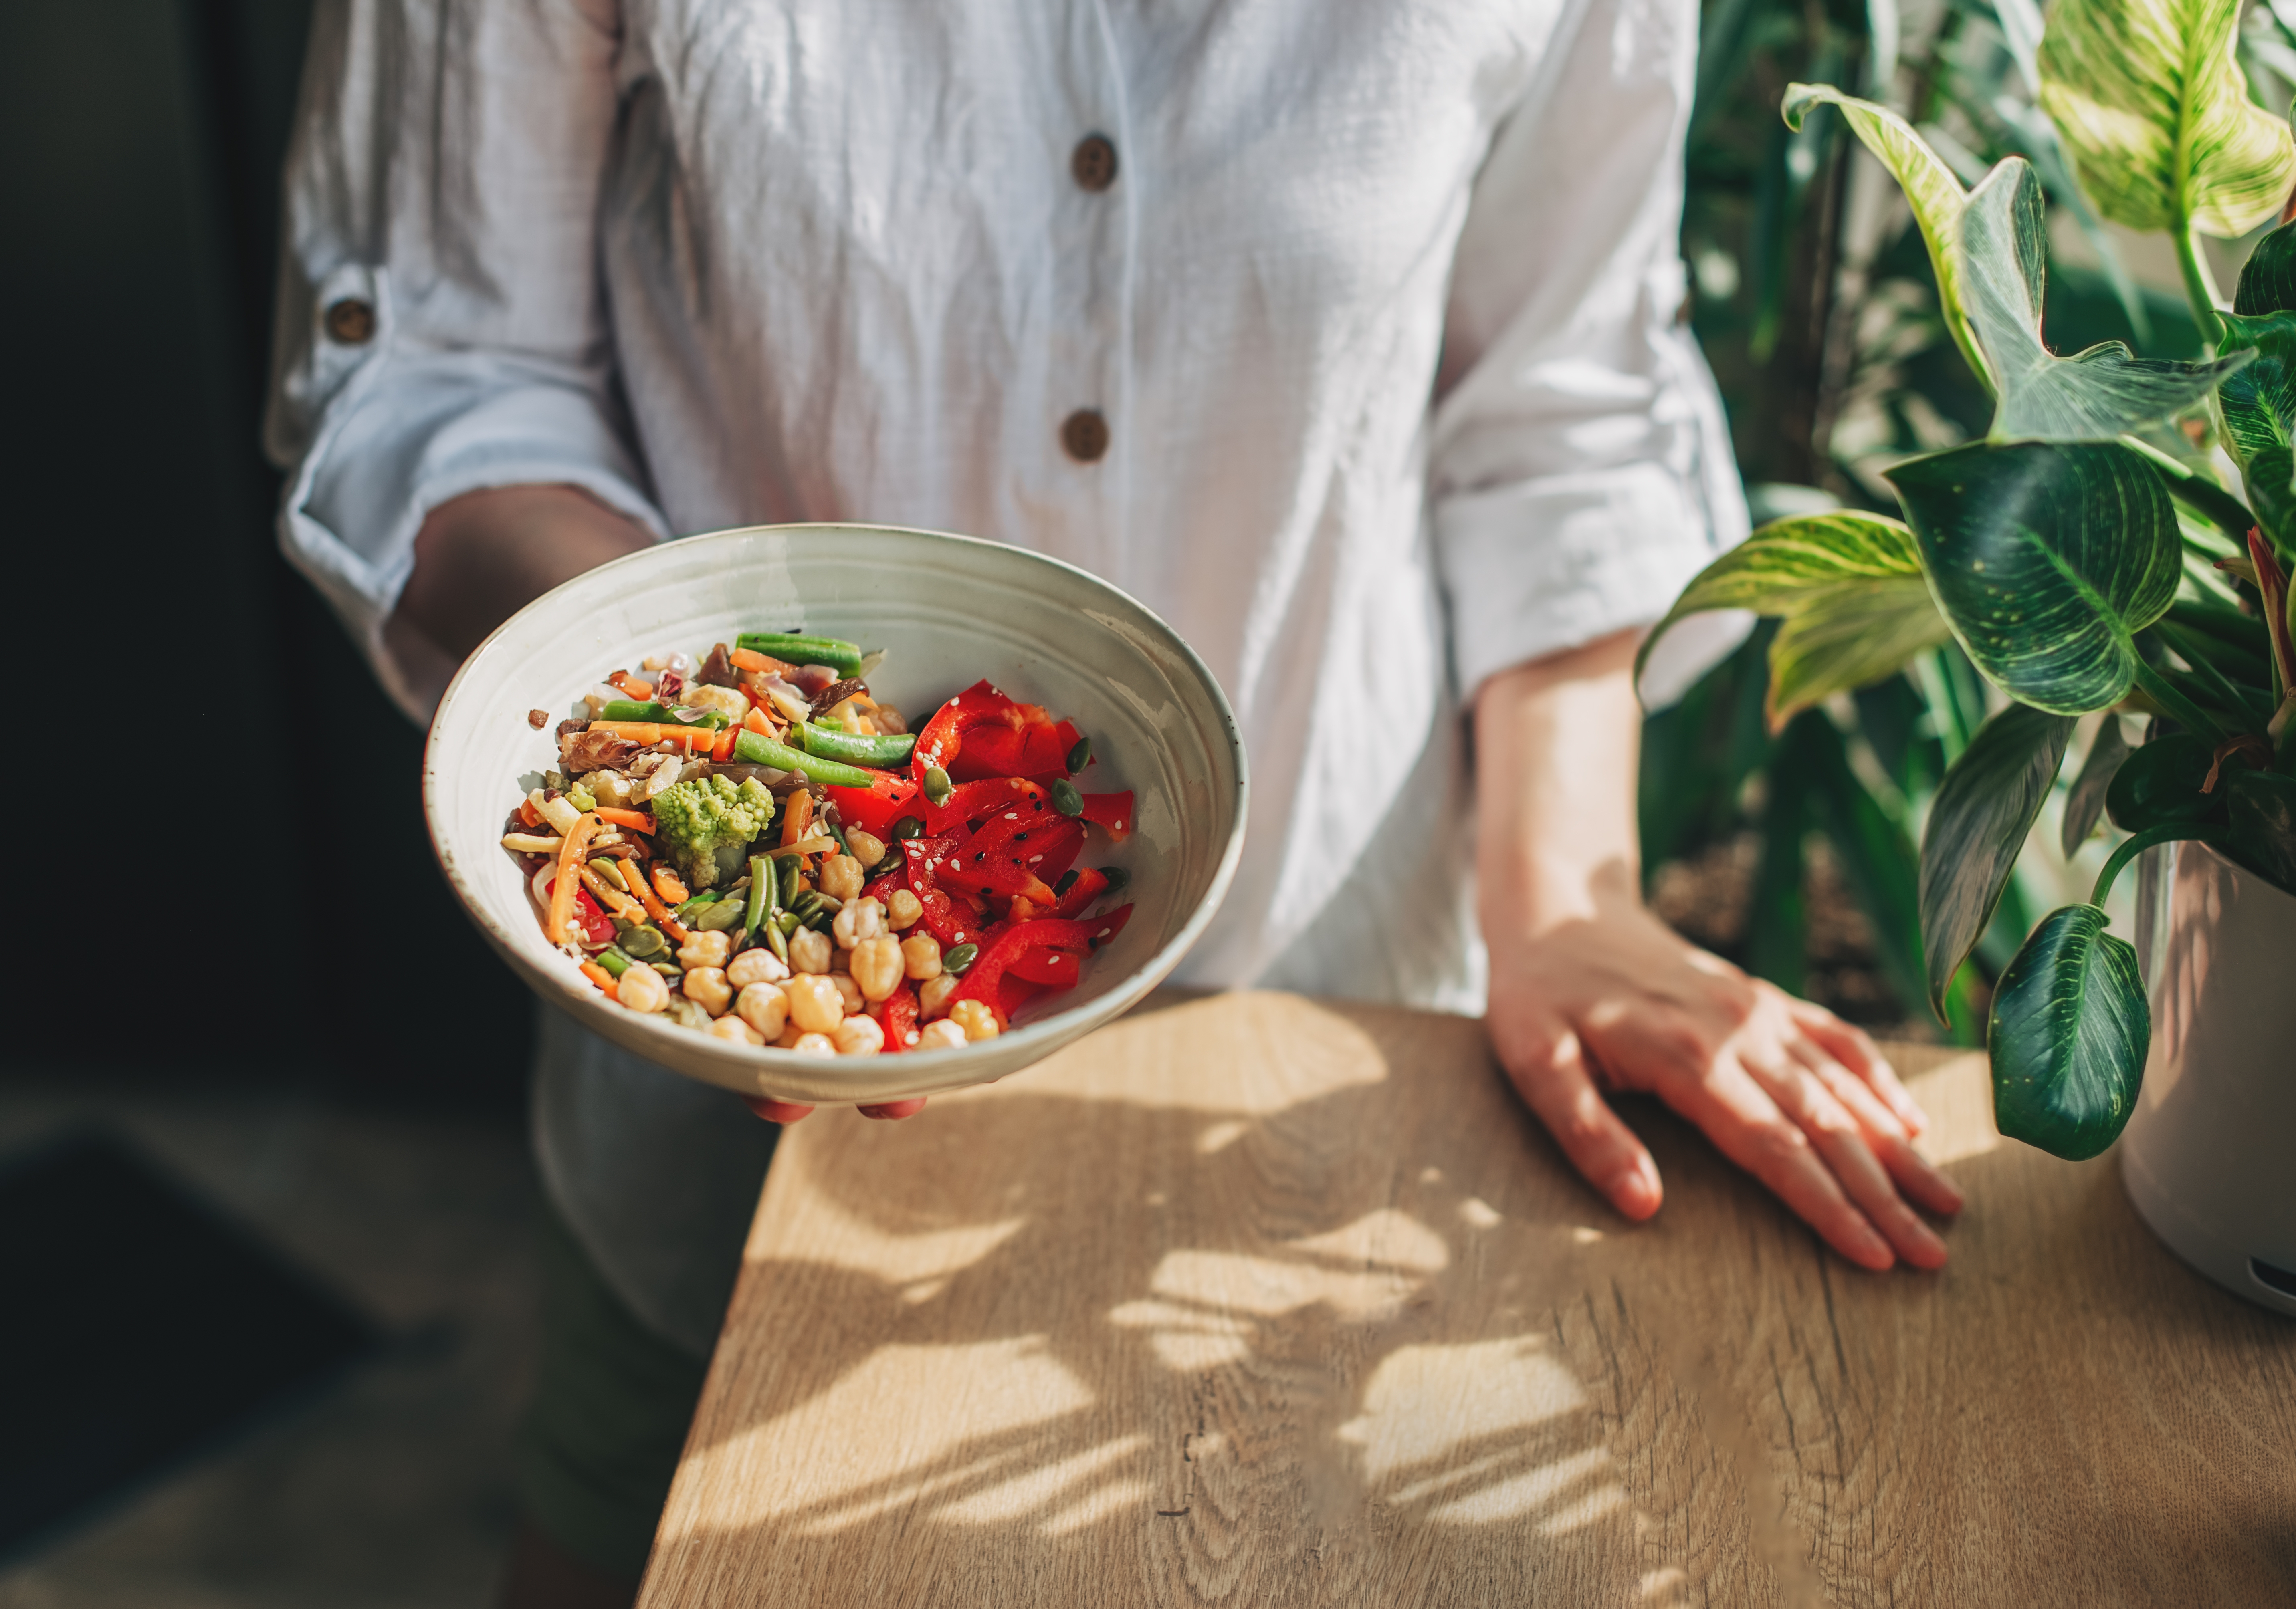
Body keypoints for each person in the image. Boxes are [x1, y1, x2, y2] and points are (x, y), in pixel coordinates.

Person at [268, 0, 1964, 1598]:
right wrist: (728, 753)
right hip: (729, 1113)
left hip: (1334, 1035)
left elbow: (1557, 402)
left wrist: (1571, 897)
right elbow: (439, 364)